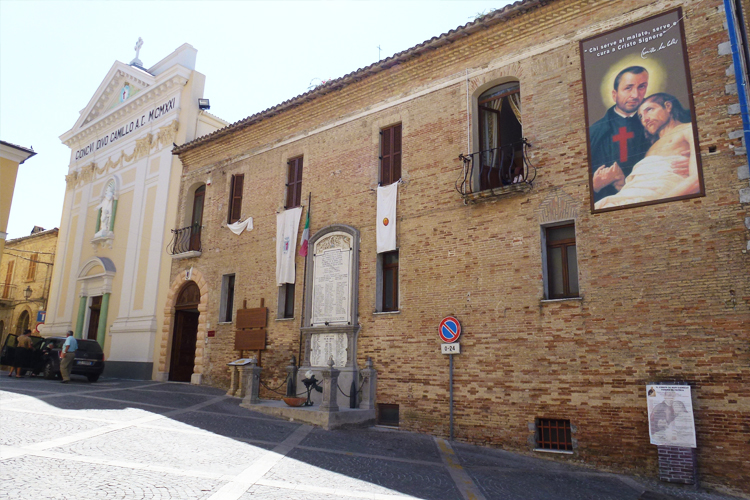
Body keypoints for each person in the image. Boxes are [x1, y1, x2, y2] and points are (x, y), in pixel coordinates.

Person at [595, 93, 699, 209]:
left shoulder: (688, 129)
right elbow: (645, 184)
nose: (645, 119)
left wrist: (658, 205)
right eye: (640, 116)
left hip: (662, 199)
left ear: (668, 106)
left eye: (649, 110)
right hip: (641, 200)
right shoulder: (650, 149)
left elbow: (697, 179)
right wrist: (621, 182)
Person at [589, 66, 653, 203]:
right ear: (614, 94)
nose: (635, 95)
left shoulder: (657, 124)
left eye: (641, 87)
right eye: (628, 88)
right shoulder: (595, 132)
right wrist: (596, 185)